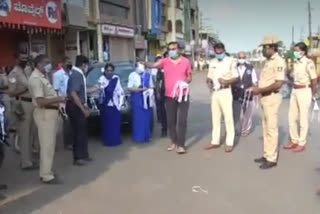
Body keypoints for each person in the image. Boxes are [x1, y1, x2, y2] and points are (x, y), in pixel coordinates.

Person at [146, 41, 192, 154]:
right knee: (171, 121)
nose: (171, 51)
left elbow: (189, 76)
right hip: (169, 95)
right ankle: (173, 141)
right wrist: (142, 62)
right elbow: (153, 65)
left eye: (173, 49)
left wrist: (185, 82)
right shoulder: (165, 61)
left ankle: (181, 145)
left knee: (182, 120)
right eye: (170, 49)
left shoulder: (186, 61)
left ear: (179, 50)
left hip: (183, 95)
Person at [29, 55, 66, 184]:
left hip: (51, 113)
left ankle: (46, 171)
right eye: (46, 63)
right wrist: (59, 99)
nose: (49, 65)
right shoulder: (35, 79)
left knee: (49, 145)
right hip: (45, 114)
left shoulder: (42, 77)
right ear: (39, 64)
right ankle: (46, 175)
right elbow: (40, 101)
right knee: (47, 145)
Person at [251, 35, 286, 170]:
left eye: (265, 48)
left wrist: (260, 89)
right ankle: (266, 154)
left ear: (272, 47)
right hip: (265, 97)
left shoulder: (278, 61)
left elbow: (278, 84)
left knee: (271, 129)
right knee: (265, 129)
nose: (263, 50)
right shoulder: (268, 61)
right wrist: (260, 91)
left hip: (271, 97)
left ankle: (272, 158)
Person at [204, 42, 239, 153]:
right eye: (217, 51)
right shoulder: (212, 62)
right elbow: (209, 76)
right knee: (215, 118)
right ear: (214, 51)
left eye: (220, 51)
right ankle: (215, 141)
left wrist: (226, 81)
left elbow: (236, 77)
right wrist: (209, 82)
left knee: (228, 118)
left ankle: (229, 142)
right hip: (215, 92)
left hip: (225, 91)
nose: (218, 53)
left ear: (224, 50)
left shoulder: (230, 61)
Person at [283, 42, 317, 152]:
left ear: (303, 51)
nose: (295, 53)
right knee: (291, 117)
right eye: (294, 50)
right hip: (295, 90)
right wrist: (288, 75)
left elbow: (314, 79)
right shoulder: (296, 63)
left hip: (304, 90)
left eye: (296, 50)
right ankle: (294, 140)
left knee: (303, 118)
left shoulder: (308, 63)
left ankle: (302, 142)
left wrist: (313, 93)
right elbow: (294, 77)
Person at [8, 53, 38, 170]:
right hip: (22, 104)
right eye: (22, 59)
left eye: (26, 58)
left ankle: (29, 159)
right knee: (24, 134)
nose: (24, 60)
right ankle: (25, 163)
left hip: (31, 103)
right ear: (16, 59)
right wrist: (25, 89)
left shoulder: (26, 71)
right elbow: (11, 92)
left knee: (31, 133)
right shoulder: (13, 74)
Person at [66, 55, 92, 166]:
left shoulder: (79, 74)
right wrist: (83, 109)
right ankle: (78, 158)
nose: (87, 67)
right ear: (83, 65)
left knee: (82, 132)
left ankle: (84, 155)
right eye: (87, 65)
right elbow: (73, 93)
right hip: (75, 106)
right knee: (78, 133)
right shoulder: (76, 75)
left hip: (78, 105)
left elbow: (81, 91)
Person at [95, 63, 124, 146]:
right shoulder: (101, 79)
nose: (109, 72)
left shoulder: (116, 79)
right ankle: (107, 141)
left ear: (113, 71)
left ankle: (115, 140)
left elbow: (120, 91)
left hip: (115, 105)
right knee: (107, 124)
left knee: (115, 124)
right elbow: (100, 89)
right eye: (108, 71)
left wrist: (120, 104)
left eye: (111, 71)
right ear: (105, 71)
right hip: (105, 105)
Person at [232, 51, 258, 137]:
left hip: (248, 95)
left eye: (243, 58)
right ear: (237, 58)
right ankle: (236, 130)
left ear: (245, 58)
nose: (241, 59)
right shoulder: (234, 67)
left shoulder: (251, 68)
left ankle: (245, 130)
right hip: (236, 93)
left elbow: (255, 81)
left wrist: (253, 87)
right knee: (236, 114)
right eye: (240, 58)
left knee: (247, 114)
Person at [128, 62, 154, 143]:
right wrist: (139, 89)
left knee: (146, 117)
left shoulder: (147, 75)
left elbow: (151, 86)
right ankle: (138, 137)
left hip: (146, 98)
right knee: (138, 118)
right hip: (137, 98)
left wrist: (148, 89)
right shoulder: (132, 75)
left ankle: (146, 136)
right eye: (139, 66)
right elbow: (129, 87)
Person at [53, 57, 73, 150]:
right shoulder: (57, 75)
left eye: (70, 62)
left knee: (72, 122)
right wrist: (58, 102)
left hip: (72, 100)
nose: (69, 64)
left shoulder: (71, 73)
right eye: (67, 63)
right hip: (63, 102)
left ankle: (72, 141)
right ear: (63, 64)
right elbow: (55, 90)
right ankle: (67, 143)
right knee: (67, 122)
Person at [154, 55, 167, 137]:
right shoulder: (159, 72)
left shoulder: (169, 69)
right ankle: (164, 129)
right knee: (162, 112)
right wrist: (158, 92)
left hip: (170, 93)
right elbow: (158, 83)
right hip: (162, 93)